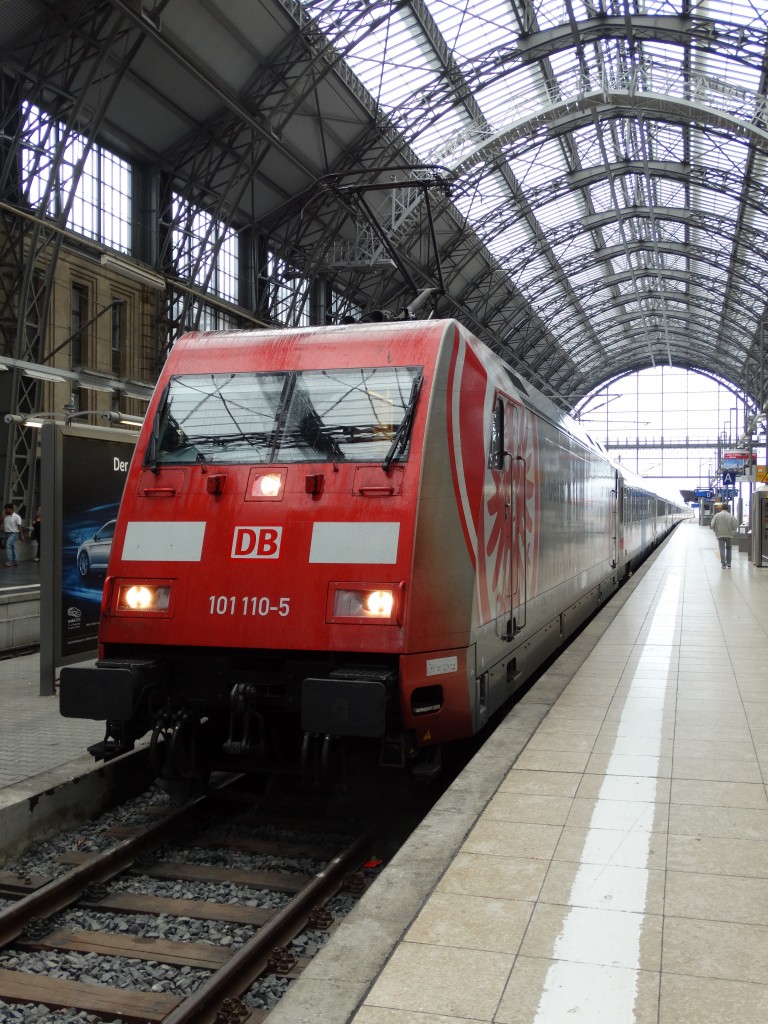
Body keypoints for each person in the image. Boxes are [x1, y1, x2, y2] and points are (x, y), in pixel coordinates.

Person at [711, 502, 739, 568]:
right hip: (729, 535)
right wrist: (731, 529)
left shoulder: (717, 515)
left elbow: (712, 525)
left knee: (722, 549)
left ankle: (723, 564)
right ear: (728, 509)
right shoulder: (730, 516)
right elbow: (735, 526)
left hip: (720, 535)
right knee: (729, 548)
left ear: (721, 508)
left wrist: (715, 530)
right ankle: (729, 563)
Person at [3, 503, 24, 567]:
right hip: (6, 533)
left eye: (7, 509)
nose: (5, 511)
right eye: (5, 509)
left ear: (11, 509)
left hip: (14, 533)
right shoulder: (6, 516)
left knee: (8, 545)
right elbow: (0, 522)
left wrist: (21, 535)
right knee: (12, 547)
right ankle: (15, 561)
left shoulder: (16, 516)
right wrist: (4, 516)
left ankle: (9, 561)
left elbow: (19, 526)